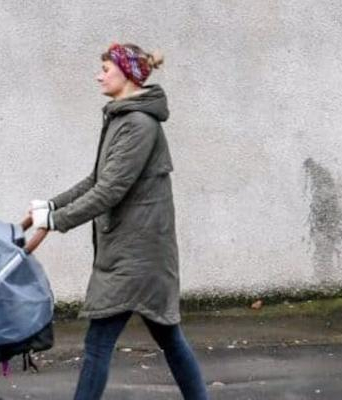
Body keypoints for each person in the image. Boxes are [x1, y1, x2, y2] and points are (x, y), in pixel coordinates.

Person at [28, 43, 208, 399]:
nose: (99, 75)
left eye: (106, 69)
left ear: (126, 74)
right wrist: (49, 206)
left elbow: (109, 191)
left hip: (137, 258)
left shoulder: (139, 125)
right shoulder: (122, 118)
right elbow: (96, 179)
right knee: (168, 338)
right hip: (133, 253)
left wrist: (55, 220)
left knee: (98, 343)